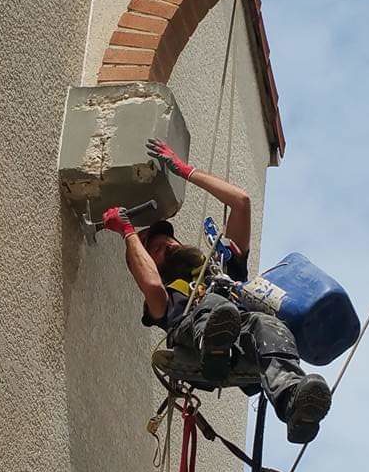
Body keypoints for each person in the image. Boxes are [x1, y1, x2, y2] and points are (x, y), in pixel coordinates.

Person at [102, 139, 331, 444]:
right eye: (155, 249)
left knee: (266, 323)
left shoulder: (224, 270)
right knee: (214, 304)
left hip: (241, 351)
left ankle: (294, 405)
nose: (167, 245)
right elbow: (151, 284)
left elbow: (241, 202)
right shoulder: (168, 298)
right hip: (193, 352)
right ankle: (212, 344)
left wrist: (186, 171)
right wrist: (128, 233)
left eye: (167, 241)